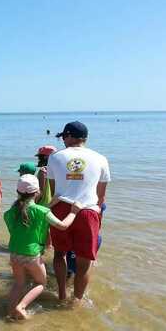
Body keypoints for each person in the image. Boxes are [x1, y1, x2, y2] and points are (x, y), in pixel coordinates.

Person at [47, 121, 111, 303]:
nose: (63, 141)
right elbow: (101, 196)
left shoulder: (55, 157)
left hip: (61, 208)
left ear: (68, 136)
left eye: (64, 137)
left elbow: (54, 190)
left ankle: (61, 294)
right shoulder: (101, 158)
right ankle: (77, 300)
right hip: (87, 210)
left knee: (60, 254)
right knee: (85, 261)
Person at [4, 175, 82, 320]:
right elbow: (63, 225)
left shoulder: (10, 213)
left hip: (14, 252)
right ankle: (21, 307)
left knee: (19, 283)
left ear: (18, 192)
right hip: (32, 254)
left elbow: (27, 215)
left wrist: (52, 204)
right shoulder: (43, 211)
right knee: (41, 283)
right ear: (38, 192)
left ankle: (10, 312)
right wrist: (74, 211)